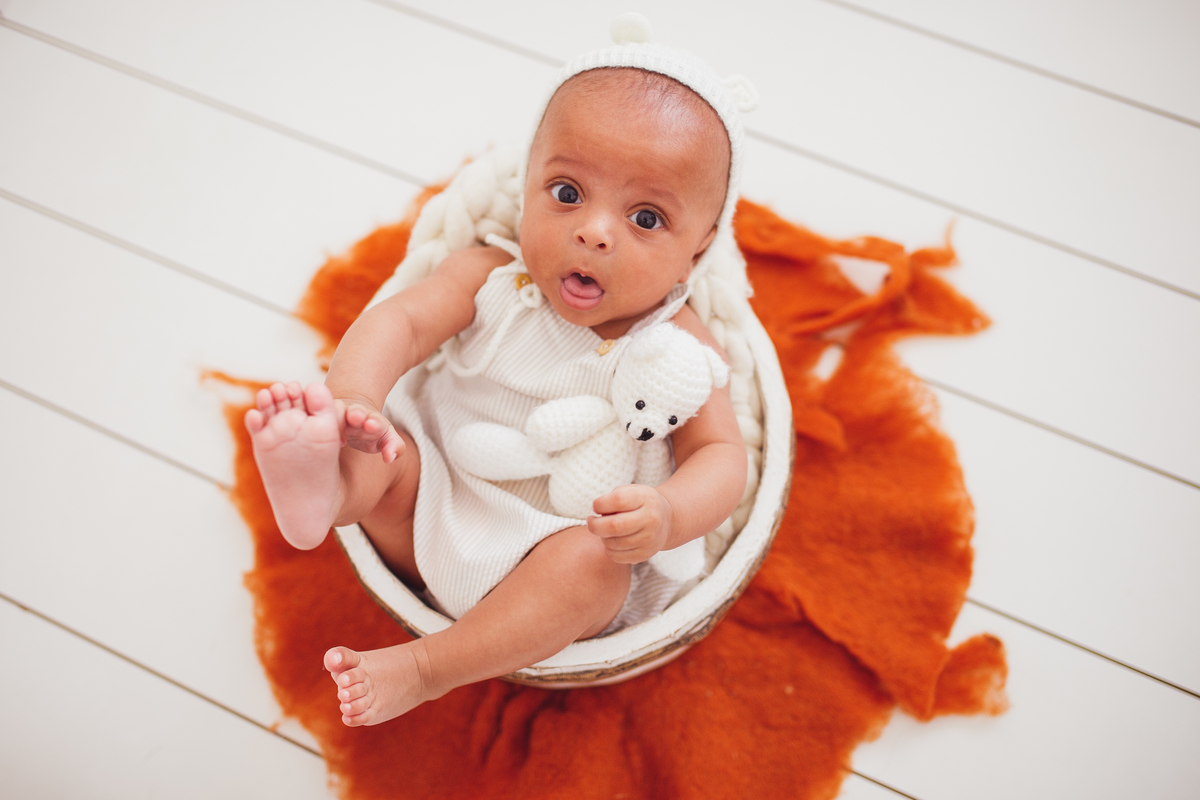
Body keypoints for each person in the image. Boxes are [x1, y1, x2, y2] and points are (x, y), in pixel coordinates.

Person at [245, 23, 753, 726]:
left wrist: (668, 514)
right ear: (527, 188)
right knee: (387, 456)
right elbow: (401, 321)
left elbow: (722, 457)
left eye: (645, 217)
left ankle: (427, 667)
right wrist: (355, 402)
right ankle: (322, 489)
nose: (595, 232)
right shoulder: (489, 275)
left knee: (591, 568)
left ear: (698, 250)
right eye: (568, 192)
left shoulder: (680, 344)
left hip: (551, 572)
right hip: (432, 503)